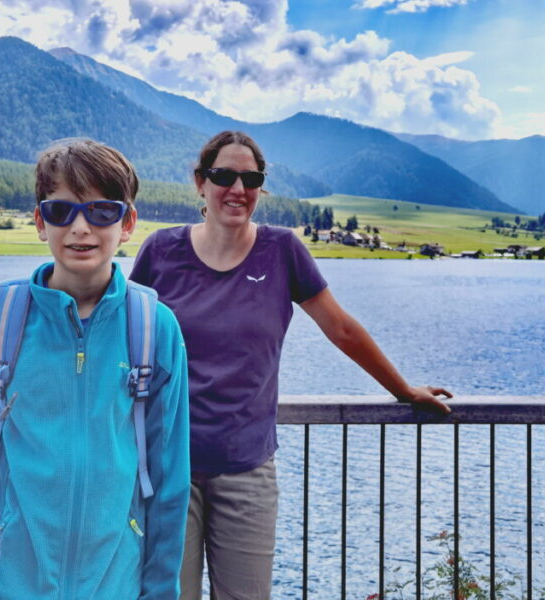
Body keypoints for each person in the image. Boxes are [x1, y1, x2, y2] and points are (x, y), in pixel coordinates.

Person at [130, 130, 453, 600]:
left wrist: (404, 391)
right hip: (168, 468)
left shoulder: (282, 251)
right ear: (200, 181)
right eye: (224, 176)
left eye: (251, 178)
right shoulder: (162, 251)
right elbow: (122, 336)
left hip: (247, 469)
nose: (237, 189)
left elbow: (340, 328)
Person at [0, 138, 191, 600]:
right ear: (40, 222)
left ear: (128, 223)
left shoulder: (155, 328)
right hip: (9, 584)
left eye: (101, 211)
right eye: (61, 211)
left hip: (115, 584)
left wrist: (160, 592)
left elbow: (169, 481)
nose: (80, 228)